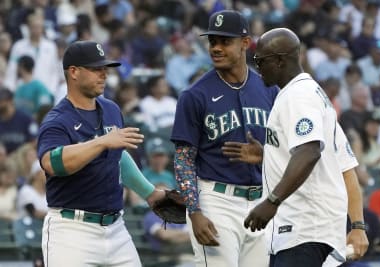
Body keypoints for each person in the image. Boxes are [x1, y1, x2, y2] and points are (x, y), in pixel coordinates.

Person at [222, 28, 369, 266]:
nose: (256, 67)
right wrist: (269, 155)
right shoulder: (315, 95)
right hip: (314, 230)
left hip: (303, 229)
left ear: (280, 60)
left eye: (260, 61)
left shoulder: (298, 95)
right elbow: (344, 166)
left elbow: (309, 152)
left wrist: (271, 202)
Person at [37, 40, 167, 267]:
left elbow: (117, 156)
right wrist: (102, 142)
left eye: (105, 68)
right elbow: (51, 163)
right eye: (96, 69)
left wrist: (149, 193)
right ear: (74, 72)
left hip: (116, 228)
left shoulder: (111, 109)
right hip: (71, 231)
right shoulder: (58, 120)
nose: (104, 74)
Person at [170, 10, 279, 267]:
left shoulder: (269, 89)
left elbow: (285, 151)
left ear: (245, 43)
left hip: (261, 202)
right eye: (212, 42)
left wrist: (264, 155)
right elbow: (184, 160)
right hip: (217, 201)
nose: (216, 48)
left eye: (224, 42)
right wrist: (194, 212)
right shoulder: (194, 95)